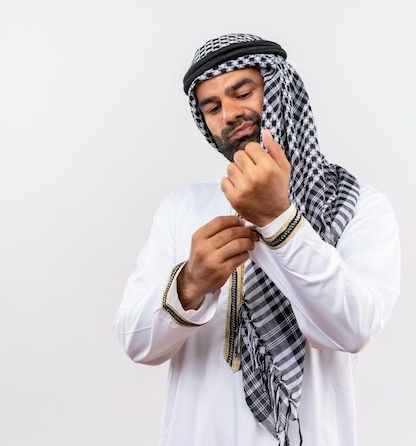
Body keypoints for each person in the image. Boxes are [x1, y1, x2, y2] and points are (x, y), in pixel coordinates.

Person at [117, 33, 401, 446]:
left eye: (242, 92)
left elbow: (352, 329)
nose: (229, 113)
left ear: (279, 89)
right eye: (212, 107)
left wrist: (278, 220)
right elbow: (137, 344)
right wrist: (190, 284)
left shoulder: (359, 206)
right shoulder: (182, 208)